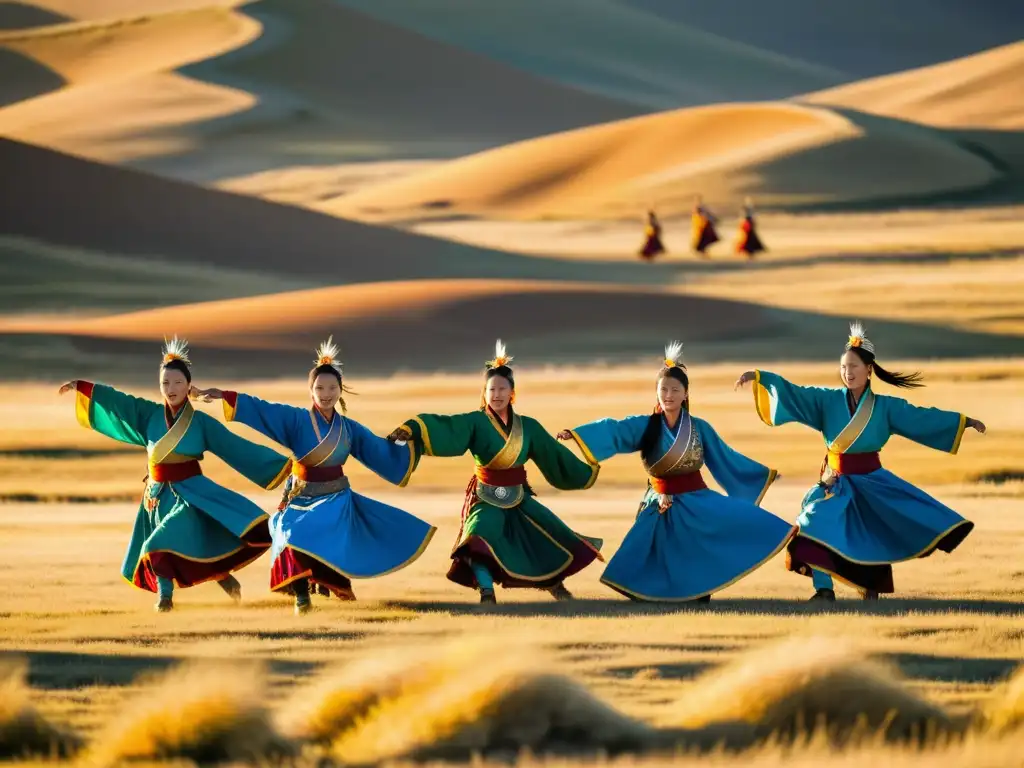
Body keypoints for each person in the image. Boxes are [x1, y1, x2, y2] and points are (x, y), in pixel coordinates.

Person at [735, 322, 986, 601]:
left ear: (869, 369)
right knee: (811, 522)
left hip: (872, 481)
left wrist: (962, 422)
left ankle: (870, 588)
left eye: (854, 367)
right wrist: (761, 378)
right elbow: (795, 392)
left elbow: (921, 417)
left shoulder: (886, 407)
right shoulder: (827, 401)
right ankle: (824, 590)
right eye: (843, 367)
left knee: (870, 535)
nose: (848, 373)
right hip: (836, 482)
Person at [193, 338, 436, 615]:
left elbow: (379, 449)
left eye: (332, 387)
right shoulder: (296, 420)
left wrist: (408, 439)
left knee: (307, 533)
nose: (326, 393)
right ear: (310, 390)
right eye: (320, 387)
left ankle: (314, 591)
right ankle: (301, 595)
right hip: (299, 496)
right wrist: (225, 396)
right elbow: (262, 409)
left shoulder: (349, 428)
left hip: (335, 499)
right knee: (286, 530)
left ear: (340, 390)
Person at [58, 338, 292, 612]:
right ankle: (226, 580)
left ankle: (165, 599)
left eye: (178, 383)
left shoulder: (201, 422)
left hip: (191, 495)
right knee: (190, 547)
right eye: (165, 383)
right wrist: (85, 388)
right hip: (156, 497)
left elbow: (235, 446)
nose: (171, 389)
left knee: (159, 543)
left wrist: (282, 467)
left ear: (189, 386)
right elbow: (121, 403)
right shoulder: (149, 415)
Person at [557, 342, 794, 602]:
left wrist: (761, 473)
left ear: (685, 394)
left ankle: (698, 593)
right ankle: (650, 594)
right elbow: (615, 429)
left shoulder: (699, 428)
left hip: (696, 499)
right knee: (641, 551)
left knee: (731, 530)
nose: (668, 395)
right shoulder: (647, 425)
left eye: (674, 389)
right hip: (659, 500)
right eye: (663, 390)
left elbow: (726, 457)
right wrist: (578, 434)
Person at [388, 340, 602, 604]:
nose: (497, 394)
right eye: (492, 389)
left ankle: (556, 587)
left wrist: (582, 471)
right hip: (486, 496)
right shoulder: (475, 422)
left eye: (503, 388)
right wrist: (415, 428)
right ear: (484, 392)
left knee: (545, 537)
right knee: (477, 538)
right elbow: (448, 428)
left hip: (519, 498)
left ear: (512, 392)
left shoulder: (529, 427)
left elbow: (552, 453)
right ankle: (486, 591)